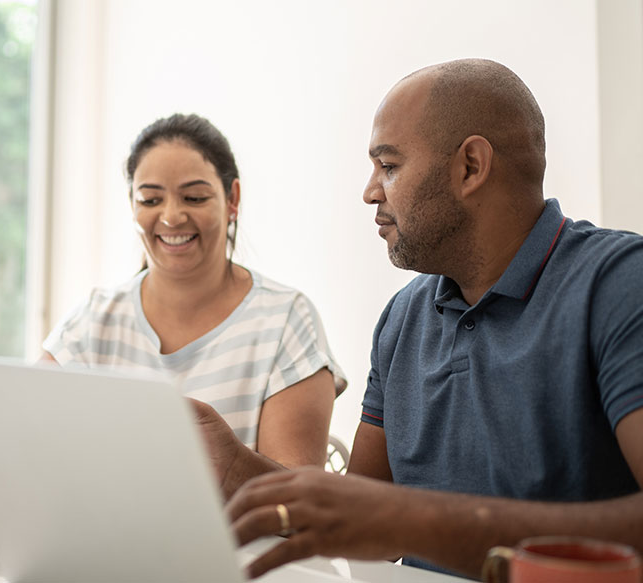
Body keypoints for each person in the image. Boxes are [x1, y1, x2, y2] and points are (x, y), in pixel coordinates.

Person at [225, 58, 643, 580]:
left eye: (389, 165)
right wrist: (239, 472)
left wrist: (420, 520)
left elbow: (397, 518)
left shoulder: (621, 284)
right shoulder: (403, 317)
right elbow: (365, 529)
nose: (370, 192)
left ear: (470, 166)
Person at [0, 113, 346, 506]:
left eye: (194, 196)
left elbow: (303, 500)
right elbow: (16, 444)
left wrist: (231, 465)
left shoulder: (286, 319)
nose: (172, 216)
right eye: (150, 199)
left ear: (232, 199)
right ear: (132, 206)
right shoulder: (96, 319)